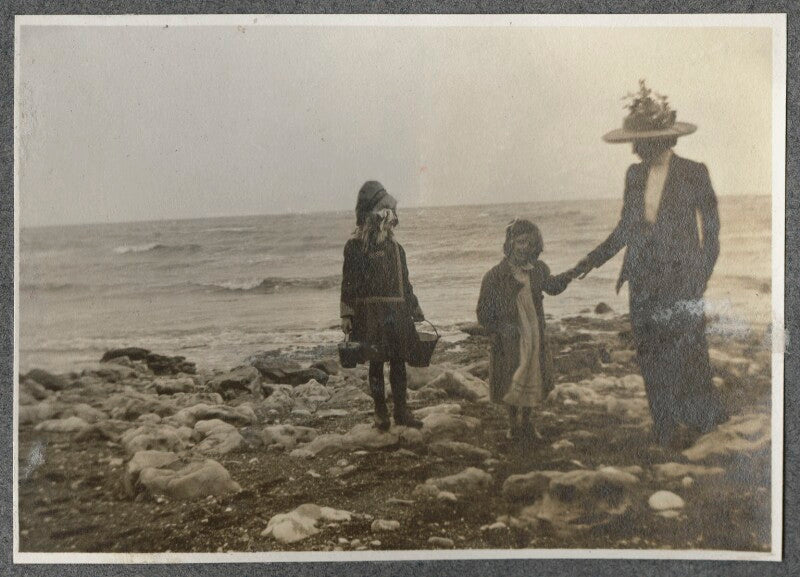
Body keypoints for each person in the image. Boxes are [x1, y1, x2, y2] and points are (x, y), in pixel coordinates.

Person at [573, 80, 728, 447]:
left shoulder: (694, 171)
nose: (634, 148)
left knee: (688, 349)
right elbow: (626, 228)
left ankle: (701, 422)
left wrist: (700, 278)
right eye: (633, 141)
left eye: (639, 141)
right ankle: (664, 425)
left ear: (663, 138)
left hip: (682, 279)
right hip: (642, 278)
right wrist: (589, 262)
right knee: (650, 352)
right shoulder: (634, 175)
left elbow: (714, 233)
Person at [477, 219, 573, 441]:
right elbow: (483, 313)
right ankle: (513, 424)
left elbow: (552, 287)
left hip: (534, 332)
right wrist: (500, 329)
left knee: (534, 374)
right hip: (509, 336)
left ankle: (527, 422)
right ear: (510, 243)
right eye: (519, 242)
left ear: (534, 246)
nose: (523, 247)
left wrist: (572, 273)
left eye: (528, 243)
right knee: (511, 377)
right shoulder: (494, 275)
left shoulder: (539, 269)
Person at [340, 181, 425, 431]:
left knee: (398, 362)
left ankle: (401, 410)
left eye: (392, 210)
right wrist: (347, 313)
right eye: (384, 209)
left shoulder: (396, 249)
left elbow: (404, 283)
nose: (391, 216)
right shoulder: (355, 247)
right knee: (376, 364)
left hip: (397, 313)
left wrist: (415, 307)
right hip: (371, 314)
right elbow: (348, 282)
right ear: (371, 214)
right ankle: (380, 412)